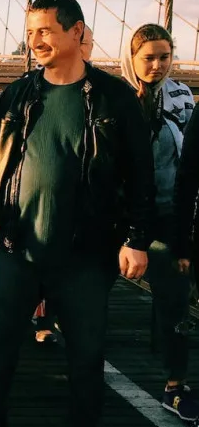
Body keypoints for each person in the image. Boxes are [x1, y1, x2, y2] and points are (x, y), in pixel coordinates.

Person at [0, 0, 154, 427]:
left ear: (76, 32)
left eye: (45, 31)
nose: (35, 41)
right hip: (18, 249)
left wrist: (137, 239)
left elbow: (141, 175)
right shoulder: (19, 92)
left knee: (86, 358)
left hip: (86, 255)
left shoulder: (115, 99)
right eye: (31, 32)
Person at [121, 24, 197, 422]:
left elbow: (189, 161)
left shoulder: (182, 96)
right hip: (120, 218)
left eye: (164, 57)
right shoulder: (114, 97)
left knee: (174, 299)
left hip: (168, 212)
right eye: (148, 57)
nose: (157, 65)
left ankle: (174, 386)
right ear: (132, 58)